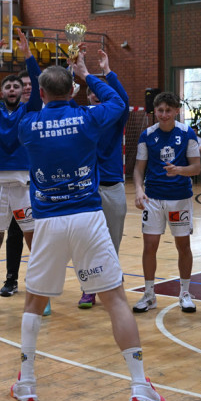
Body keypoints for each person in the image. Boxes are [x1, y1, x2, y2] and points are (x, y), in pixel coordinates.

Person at [12, 50, 166, 401]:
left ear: (41, 93)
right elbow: (120, 102)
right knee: (115, 300)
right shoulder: (88, 117)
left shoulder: (27, 125)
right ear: (73, 91)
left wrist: (39, 81)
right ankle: (139, 384)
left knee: (34, 302)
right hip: (88, 217)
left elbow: (29, 108)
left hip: (48, 221)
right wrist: (87, 73)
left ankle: (27, 383)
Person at [0, 28, 42, 316]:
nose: (13, 90)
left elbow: (38, 85)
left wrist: (28, 55)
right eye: (8, 87)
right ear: (2, 93)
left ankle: (40, 295)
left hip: (24, 186)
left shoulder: (31, 111)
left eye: (17, 86)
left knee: (33, 241)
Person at [132, 92, 201, 314]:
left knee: (183, 246)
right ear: (155, 111)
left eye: (168, 111)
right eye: (160, 111)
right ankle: (149, 295)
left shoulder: (187, 133)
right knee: (149, 246)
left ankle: (185, 293)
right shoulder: (147, 135)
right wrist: (138, 189)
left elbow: (196, 168)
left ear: (176, 111)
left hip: (179, 198)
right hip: (153, 199)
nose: (164, 115)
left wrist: (179, 170)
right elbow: (138, 168)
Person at [78, 48, 131, 308]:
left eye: (101, 94)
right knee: (86, 241)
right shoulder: (81, 116)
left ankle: (111, 282)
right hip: (86, 188)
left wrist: (108, 72)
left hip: (113, 186)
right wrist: (75, 70)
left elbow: (123, 99)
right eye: (93, 94)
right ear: (88, 96)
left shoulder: (117, 117)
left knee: (113, 240)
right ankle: (88, 288)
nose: (97, 97)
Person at [0, 68, 35, 298]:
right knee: (14, 232)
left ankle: (39, 281)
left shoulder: (41, 109)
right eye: (24, 84)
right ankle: (11, 278)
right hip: (17, 181)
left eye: (31, 84)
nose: (28, 87)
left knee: (40, 234)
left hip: (40, 180)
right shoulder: (7, 114)